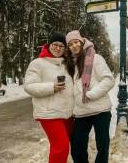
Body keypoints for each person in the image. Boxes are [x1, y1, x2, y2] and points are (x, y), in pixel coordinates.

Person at [24, 33, 74, 163]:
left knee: (64, 146)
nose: (58, 48)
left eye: (62, 46)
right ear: (48, 45)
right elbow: (29, 86)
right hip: (49, 113)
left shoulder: (66, 63)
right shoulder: (37, 63)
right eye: (55, 45)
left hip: (68, 113)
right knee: (61, 146)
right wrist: (51, 87)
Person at [66, 30, 114, 163]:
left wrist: (91, 94)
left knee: (102, 146)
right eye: (70, 44)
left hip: (100, 110)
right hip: (81, 112)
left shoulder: (95, 58)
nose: (74, 46)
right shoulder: (71, 64)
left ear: (81, 42)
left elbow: (108, 79)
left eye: (76, 42)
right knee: (77, 146)